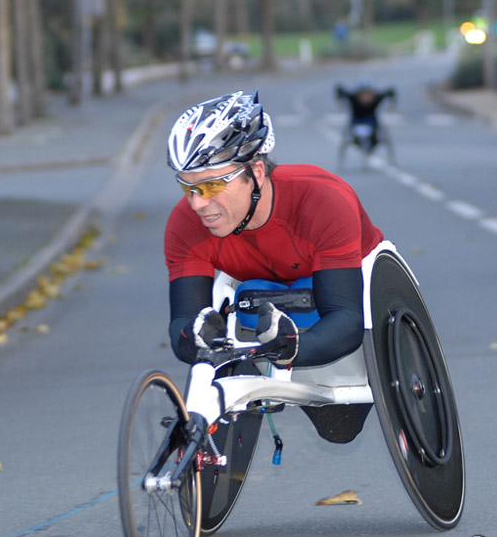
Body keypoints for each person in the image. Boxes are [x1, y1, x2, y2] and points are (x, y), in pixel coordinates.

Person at [164, 90, 383, 442]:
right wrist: (198, 341)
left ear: (257, 171)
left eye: (214, 185)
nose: (198, 204)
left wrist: (292, 349)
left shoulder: (321, 200)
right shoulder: (184, 224)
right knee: (253, 297)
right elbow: (181, 324)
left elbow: (347, 319)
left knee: (340, 429)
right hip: (264, 299)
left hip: (333, 295)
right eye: (187, 188)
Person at [335, 82, 396, 153]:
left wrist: (393, 102)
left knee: (376, 137)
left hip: (372, 124)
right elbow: (339, 88)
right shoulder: (353, 98)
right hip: (356, 122)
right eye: (363, 94)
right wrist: (339, 100)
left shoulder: (376, 99)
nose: (365, 97)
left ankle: (371, 146)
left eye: (368, 94)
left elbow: (391, 91)